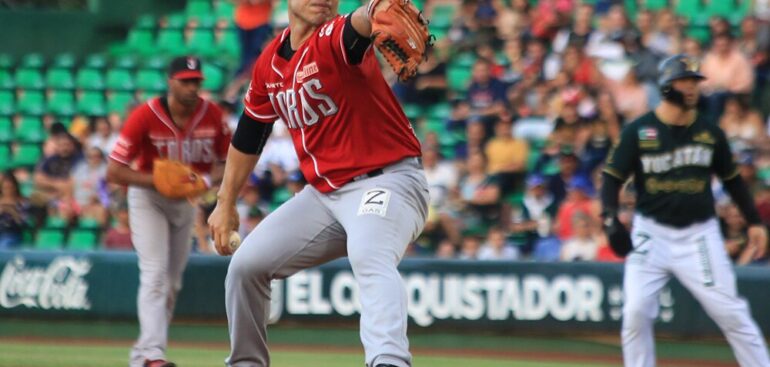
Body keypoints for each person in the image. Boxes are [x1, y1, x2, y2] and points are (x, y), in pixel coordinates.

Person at [206, 0, 429, 366]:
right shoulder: (269, 63)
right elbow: (249, 134)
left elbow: (357, 26)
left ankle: (389, 360)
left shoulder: (332, 37)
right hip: (325, 196)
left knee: (369, 253)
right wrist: (225, 202)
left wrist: (372, 10)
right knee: (246, 267)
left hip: (388, 181)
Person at [601, 54, 770, 367]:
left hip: (698, 236)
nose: (692, 87)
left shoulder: (709, 133)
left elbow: (733, 181)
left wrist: (755, 222)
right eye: (685, 81)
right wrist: (610, 220)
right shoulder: (639, 131)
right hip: (650, 234)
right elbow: (611, 178)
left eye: (695, 81)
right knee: (636, 312)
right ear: (667, 85)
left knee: (731, 312)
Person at [106, 56, 231, 367]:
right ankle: (152, 355)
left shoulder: (212, 115)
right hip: (148, 198)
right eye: (185, 81)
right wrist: (159, 181)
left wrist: (200, 180)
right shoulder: (144, 116)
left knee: (172, 282)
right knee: (155, 275)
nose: (192, 87)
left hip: (187, 200)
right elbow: (115, 171)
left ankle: (142, 356)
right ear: (170, 82)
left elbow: (229, 162)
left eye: (196, 81)